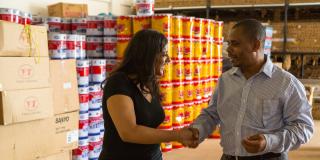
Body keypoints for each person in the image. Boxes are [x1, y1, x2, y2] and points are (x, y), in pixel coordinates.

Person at [189, 19, 314, 160]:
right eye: (228, 43)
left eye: (235, 44)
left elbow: (303, 127)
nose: (228, 49)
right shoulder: (225, 80)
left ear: (256, 45)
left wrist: (268, 141)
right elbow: (212, 115)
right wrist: (197, 130)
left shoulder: (286, 83)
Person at [99, 29, 197, 160]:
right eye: (164, 54)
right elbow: (129, 132)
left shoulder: (149, 83)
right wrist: (177, 135)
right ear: (148, 55)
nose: (168, 60)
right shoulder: (118, 83)